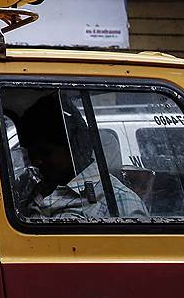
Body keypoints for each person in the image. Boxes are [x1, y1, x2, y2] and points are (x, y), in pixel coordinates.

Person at [14, 94, 147, 220]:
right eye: (32, 154)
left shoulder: (121, 202)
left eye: (46, 152)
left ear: (75, 147)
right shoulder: (38, 188)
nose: (37, 161)